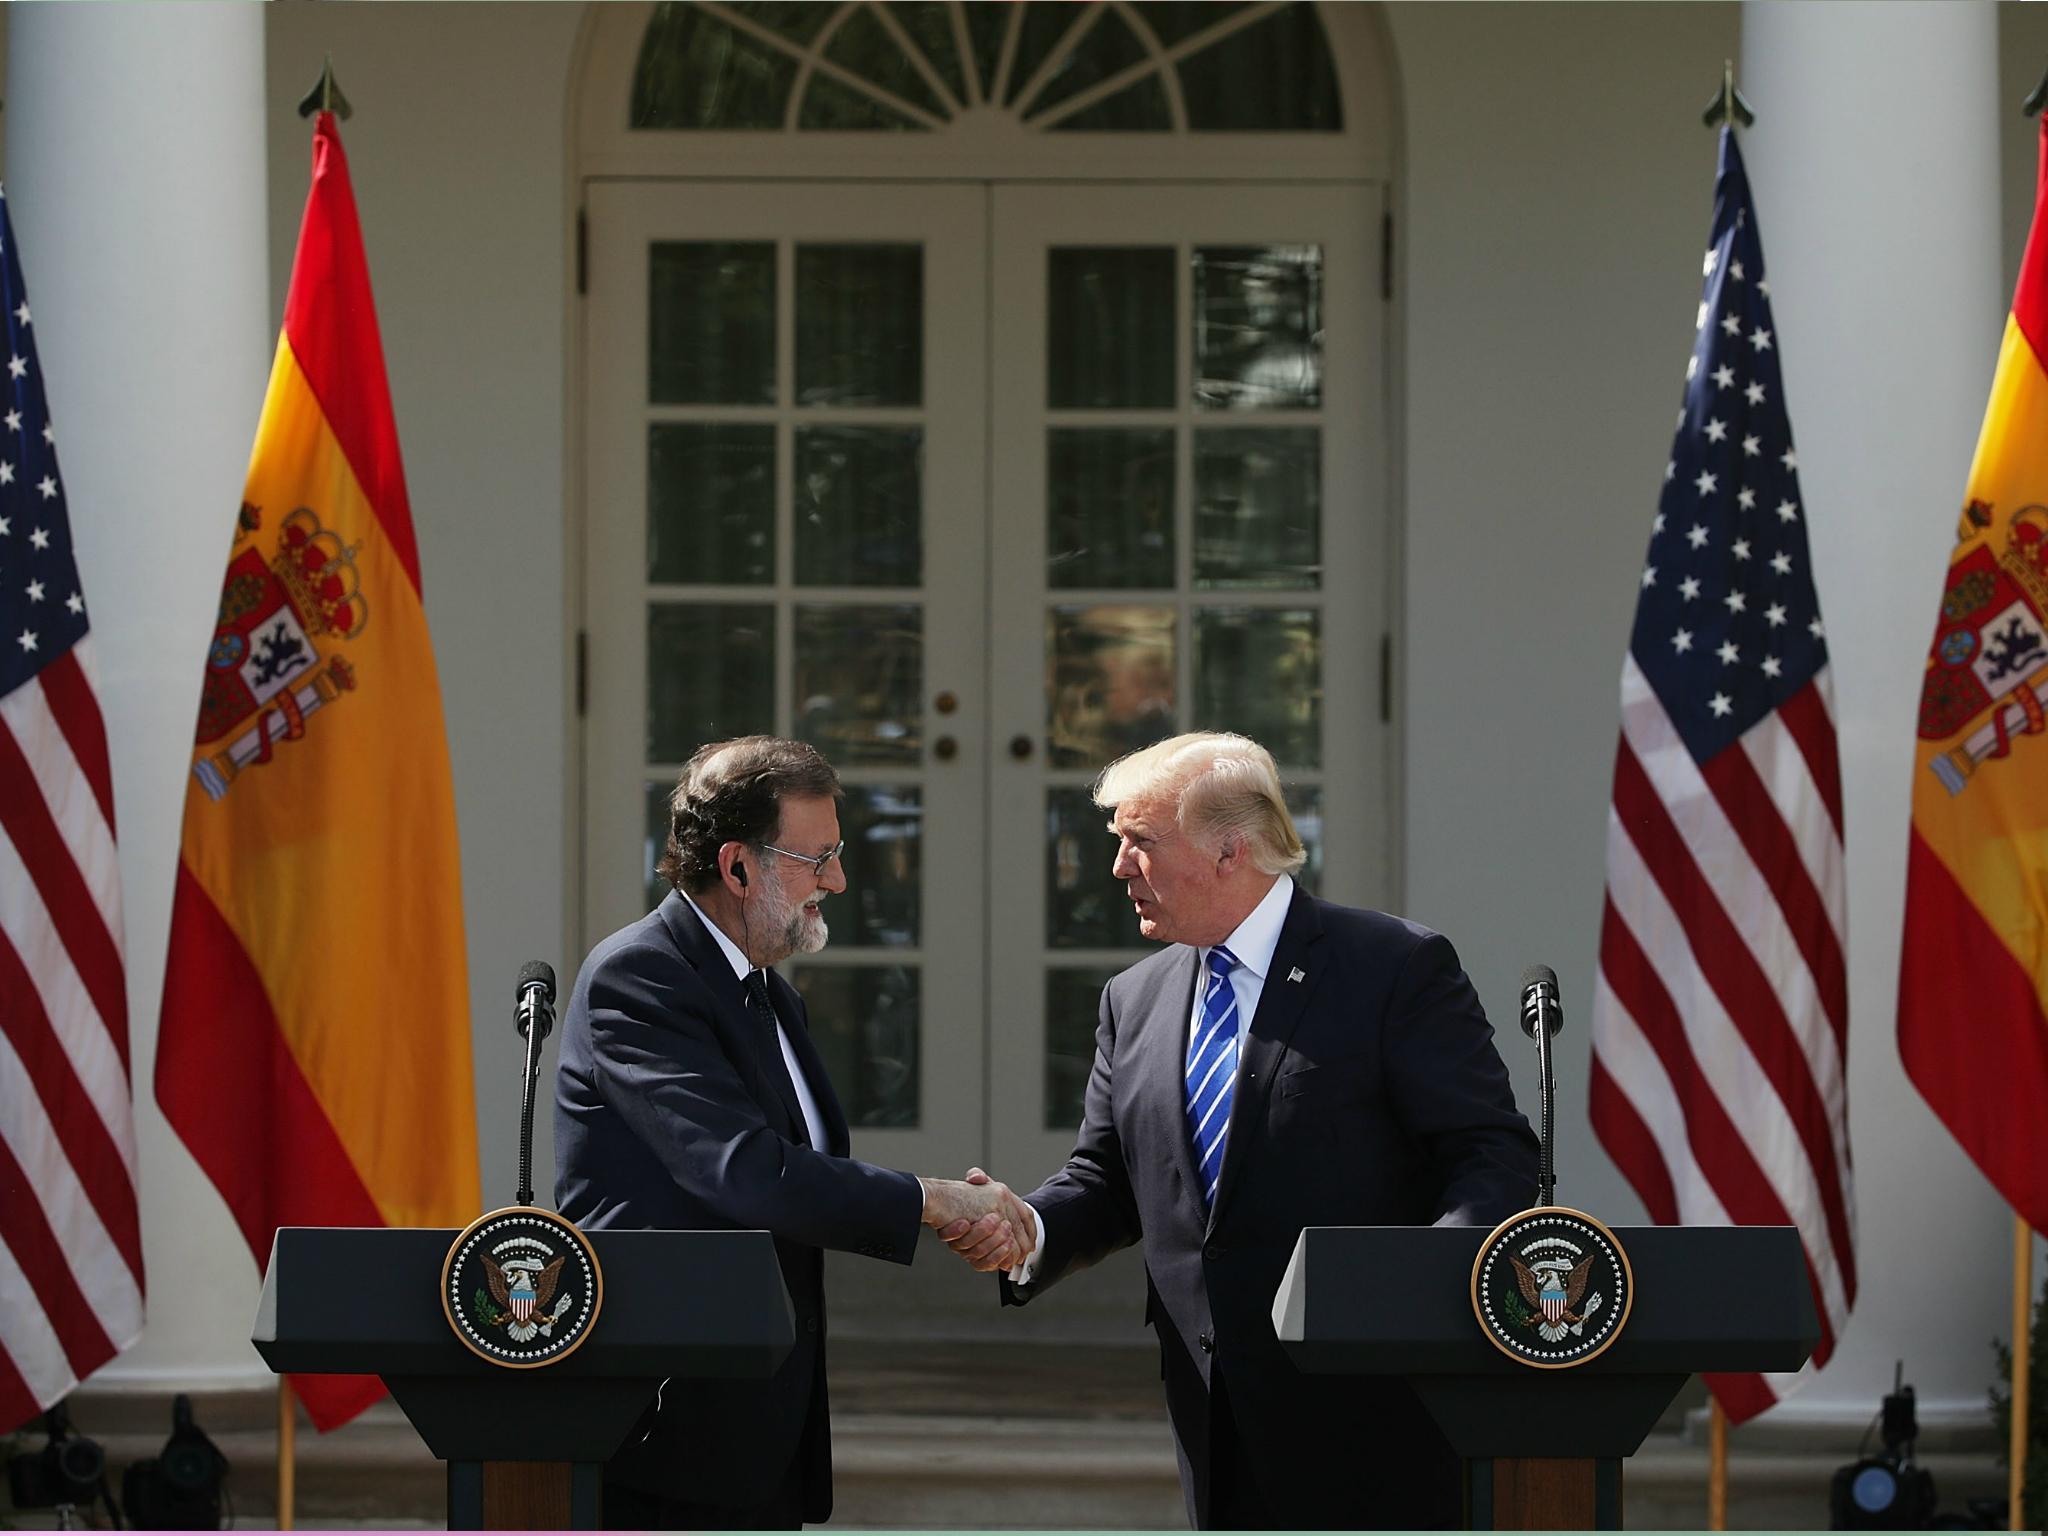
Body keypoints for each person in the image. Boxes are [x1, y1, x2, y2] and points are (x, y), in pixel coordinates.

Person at [946, 731, 1539, 1530]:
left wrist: (1422, 1298)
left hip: (1373, 1404)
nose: (1119, 867)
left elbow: (1489, 1153)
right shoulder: (1135, 998)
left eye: (1140, 843)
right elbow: (1110, 1178)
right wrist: (1028, 1230)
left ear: (1230, 851)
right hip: (1213, 1406)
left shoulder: (1393, 966)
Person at [555, 735, 1032, 1530]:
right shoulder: (639, 978)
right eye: (817, 859)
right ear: (738, 867)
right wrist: (933, 1201)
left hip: (762, 1419)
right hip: (666, 1431)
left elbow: (799, 1178)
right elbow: (745, 1172)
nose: (838, 880)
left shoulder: (770, 992)